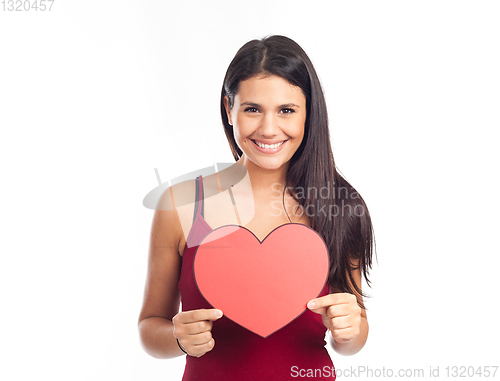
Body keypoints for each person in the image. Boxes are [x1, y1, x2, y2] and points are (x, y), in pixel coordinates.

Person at [138, 35, 375, 380]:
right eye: (252, 109)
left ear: (309, 113)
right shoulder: (180, 205)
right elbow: (150, 326)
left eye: (286, 110)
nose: (268, 128)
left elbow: (354, 335)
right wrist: (178, 338)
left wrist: (350, 331)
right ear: (228, 109)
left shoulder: (341, 207)